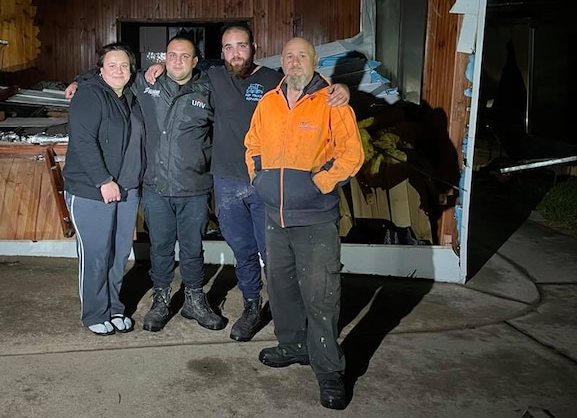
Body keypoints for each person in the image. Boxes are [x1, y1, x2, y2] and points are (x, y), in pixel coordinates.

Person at [143, 23, 350, 342]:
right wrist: (158, 66)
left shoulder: (272, 80)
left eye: (241, 46)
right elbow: (179, 74)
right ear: (220, 53)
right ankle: (252, 307)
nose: (235, 53)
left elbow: (309, 87)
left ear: (254, 47)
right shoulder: (211, 78)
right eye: (228, 47)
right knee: (243, 250)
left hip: (265, 183)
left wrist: (340, 89)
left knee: (274, 254)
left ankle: (289, 319)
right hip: (225, 182)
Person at [66, 35, 225, 333]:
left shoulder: (206, 88)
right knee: (147, 250)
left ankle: (189, 300)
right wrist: (78, 81)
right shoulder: (140, 86)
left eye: (184, 56)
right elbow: (86, 134)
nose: (176, 61)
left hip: (187, 185)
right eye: (171, 55)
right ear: (163, 58)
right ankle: (151, 302)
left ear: (195, 61)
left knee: (172, 249)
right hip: (148, 186)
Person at [244, 36, 364, 411]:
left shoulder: (331, 101)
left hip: (314, 218)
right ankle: (292, 345)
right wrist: (259, 179)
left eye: (302, 56)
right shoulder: (268, 102)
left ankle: (329, 369)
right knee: (281, 286)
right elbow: (253, 145)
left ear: (314, 61)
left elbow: (351, 154)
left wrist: (318, 184)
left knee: (321, 293)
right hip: (274, 215)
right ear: (282, 62)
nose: (294, 62)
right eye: (289, 56)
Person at [62, 43, 145, 336]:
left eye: (124, 65)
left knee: (119, 253)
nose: (119, 70)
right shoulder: (89, 94)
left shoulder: (130, 94)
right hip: (92, 189)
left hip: (126, 187)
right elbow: (84, 141)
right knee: (96, 253)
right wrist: (102, 180)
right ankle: (94, 313)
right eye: (112, 65)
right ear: (100, 70)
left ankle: (114, 306)